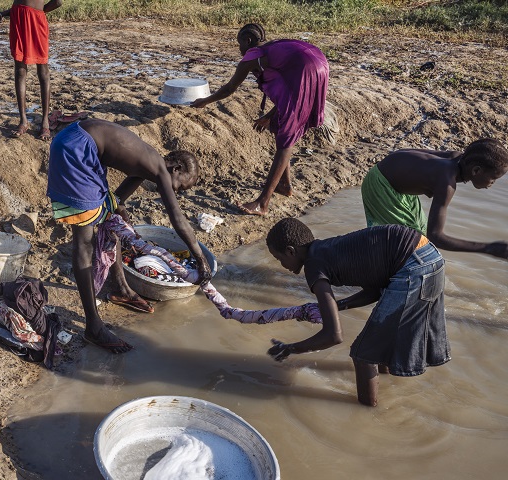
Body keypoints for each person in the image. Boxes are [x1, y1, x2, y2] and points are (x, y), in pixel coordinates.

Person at [46, 119, 212, 353]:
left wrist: (119, 211)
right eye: (180, 187)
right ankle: (93, 326)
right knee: (84, 244)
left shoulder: (147, 165)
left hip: (78, 141)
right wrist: (200, 257)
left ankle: (121, 288)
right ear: (176, 168)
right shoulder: (160, 170)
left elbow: (116, 202)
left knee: (109, 221)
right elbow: (177, 218)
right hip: (77, 150)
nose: (176, 191)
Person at [265, 217, 449, 406]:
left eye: (280, 259)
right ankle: (384, 386)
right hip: (430, 256)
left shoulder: (313, 266)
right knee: (378, 345)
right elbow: (374, 291)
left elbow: (333, 335)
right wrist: (337, 306)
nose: (282, 265)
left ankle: (368, 414)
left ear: (290, 251)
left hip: (414, 268)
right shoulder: (328, 249)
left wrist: (290, 348)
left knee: (363, 355)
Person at [192, 23, 329, 216]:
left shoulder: (252, 57)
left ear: (248, 41)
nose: (239, 49)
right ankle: (285, 185)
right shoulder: (272, 49)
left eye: (239, 44)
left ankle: (262, 203)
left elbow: (229, 88)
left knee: (286, 140)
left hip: (307, 68)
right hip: (319, 64)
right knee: (280, 126)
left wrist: (205, 101)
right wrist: (269, 116)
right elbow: (290, 92)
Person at [362, 138, 508, 259]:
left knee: (419, 236)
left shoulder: (458, 159)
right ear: (476, 170)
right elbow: (436, 236)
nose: (492, 183)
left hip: (398, 182)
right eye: (493, 178)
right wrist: (488, 248)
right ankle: (373, 277)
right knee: (408, 243)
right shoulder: (446, 184)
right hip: (382, 184)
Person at [0, 0, 63, 140]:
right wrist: (2, 14)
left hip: (33, 19)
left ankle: (42, 120)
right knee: (24, 70)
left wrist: (39, 11)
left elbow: (58, 2)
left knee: (38, 70)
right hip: (20, 18)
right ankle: (25, 120)